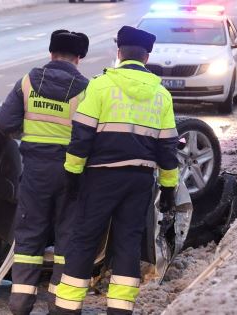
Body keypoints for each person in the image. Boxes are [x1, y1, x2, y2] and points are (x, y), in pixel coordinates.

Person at [54, 26, 179, 315]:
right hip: (140, 180)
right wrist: (169, 189)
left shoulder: (100, 86)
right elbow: (168, 150)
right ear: (147, 57)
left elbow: (81, 136)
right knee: (128, 242)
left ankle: (67, 308)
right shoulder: (161, 95)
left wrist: (72, 175)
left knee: (84, 239)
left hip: (100, 177)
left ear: (119, 53)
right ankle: (120, 309)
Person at [0, 30, 90, 315]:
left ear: (51, 53)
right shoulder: (86, 88)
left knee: (29, 236)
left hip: (35, 171)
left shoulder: (27, 82)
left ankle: (20, 303)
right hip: (71, 173)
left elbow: (4, 122)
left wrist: (29, 134)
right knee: (67, 237)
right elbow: (91, 134)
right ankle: (60, 305)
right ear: (79, 58)